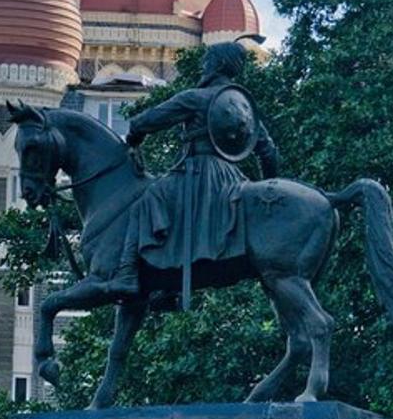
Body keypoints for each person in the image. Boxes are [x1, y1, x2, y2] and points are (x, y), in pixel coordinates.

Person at [107, 41, 279, 298]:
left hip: (198, 172)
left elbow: (149, 120)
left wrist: (133, 137)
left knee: (148, 200)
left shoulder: (195, 98)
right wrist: (270, 189)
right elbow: (268, 152)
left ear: (218, 64)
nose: (203, 66)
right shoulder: (243, 106)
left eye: (207, 61)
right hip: (233, 177)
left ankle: (127, 273)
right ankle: (166, 284)